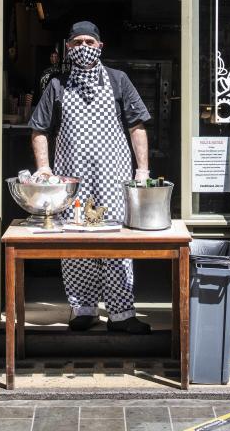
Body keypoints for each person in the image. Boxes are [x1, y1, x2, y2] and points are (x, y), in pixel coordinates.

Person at [28, 21, 153, 334]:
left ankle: (122, 314)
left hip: (113, 175)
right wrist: (44, 167)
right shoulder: (57, 84)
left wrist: (142, 170)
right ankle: (83, 310)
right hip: (73, 177)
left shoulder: (118, 80)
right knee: (75, 241)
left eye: (89, 41)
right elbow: (39, 128)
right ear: (69, 47)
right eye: (77, 42)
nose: (84, 46)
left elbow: (137, 126)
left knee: (116, 242)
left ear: (100, 45)